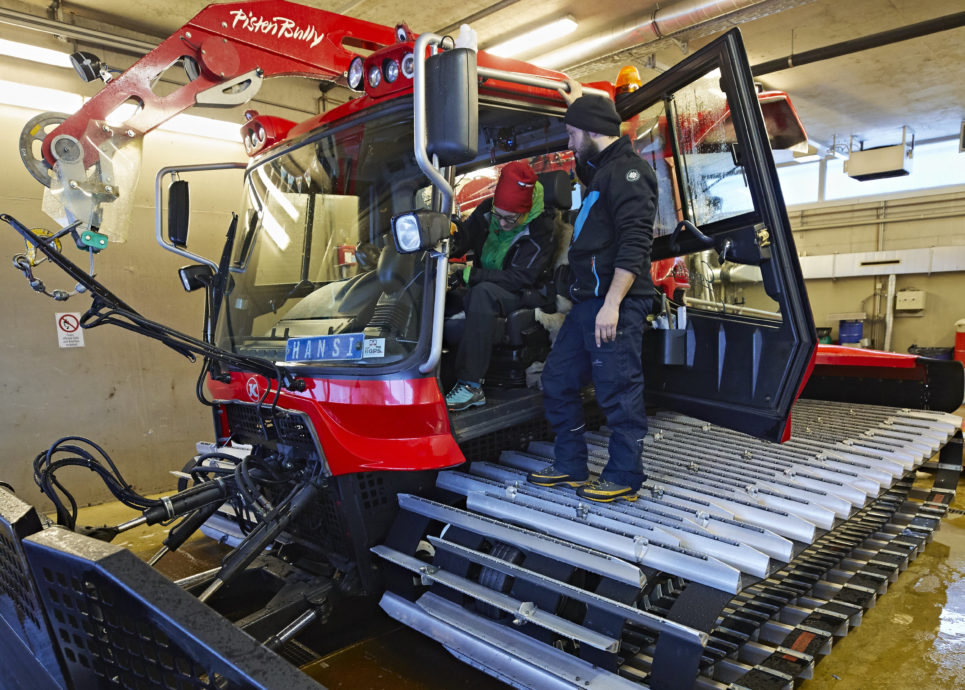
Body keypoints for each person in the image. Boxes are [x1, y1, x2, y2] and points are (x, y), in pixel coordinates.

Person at [528, 85, 658, 502]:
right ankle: (570, 465)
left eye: (571, 134)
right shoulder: (601, 170)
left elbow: (636, 244)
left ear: (589, 131)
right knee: (557, 380)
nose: (569, 142)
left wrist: (614, 304)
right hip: (589, 303)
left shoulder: (630, 172)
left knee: (618, 391)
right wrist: (578, 98)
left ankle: (624, 475)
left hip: (613, 305)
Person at [444, 160, 557, 412]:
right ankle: (439, 376)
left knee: (481, 294)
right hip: (490, 282)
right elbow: (465, 237)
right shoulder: (488, 211)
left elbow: (520, 278)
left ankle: (471, 386)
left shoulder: (541, 228)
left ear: (525, 212)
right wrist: (452, 236)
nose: (502, 224)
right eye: (499, 216)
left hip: (525, 292)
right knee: (446, 296)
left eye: (511, 219)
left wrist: (469, 275)